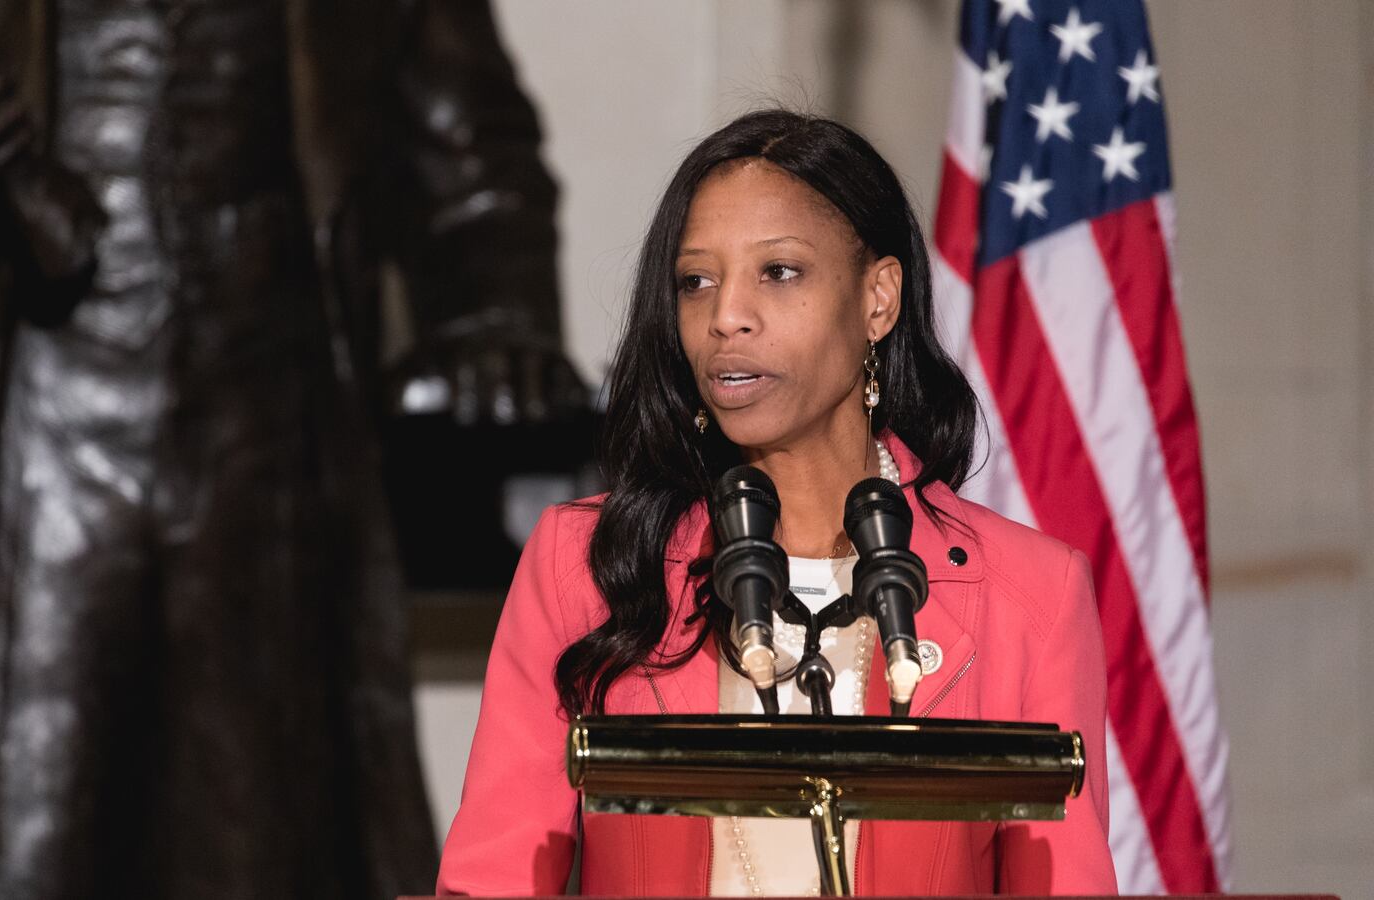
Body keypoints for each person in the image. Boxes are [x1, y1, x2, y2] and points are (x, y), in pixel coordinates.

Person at [0, 2, 584, 898]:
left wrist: (495, 316)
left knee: (268, 849)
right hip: (16, 462)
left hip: (269, 454)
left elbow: (473, 147)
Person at [436, 109, 1117, 896]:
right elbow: (492, 880)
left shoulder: (1031, 595)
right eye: (697, 282)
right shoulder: (586, 566)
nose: (726, 316)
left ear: (878, 300)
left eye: (778, 272)